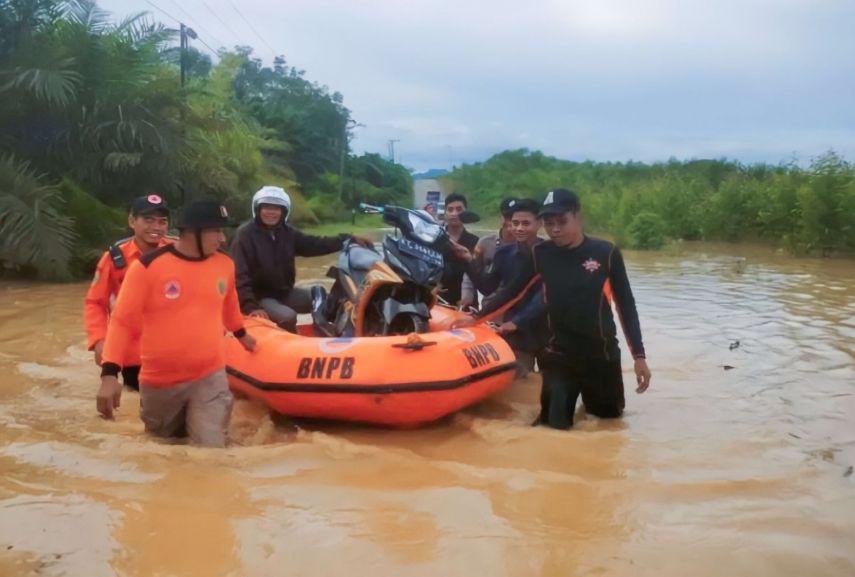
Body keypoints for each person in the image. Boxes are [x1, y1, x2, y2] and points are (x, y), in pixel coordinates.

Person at [457, 189, 652, 429]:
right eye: (549, 224)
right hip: (559, 355)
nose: (555, 229)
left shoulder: (605, 253)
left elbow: (626, 305)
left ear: (578, 217)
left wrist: (639, 356)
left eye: (562, 222)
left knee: (606, 424)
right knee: (553, 428)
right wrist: (475, 319)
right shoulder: (542, 253)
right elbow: (512, 292)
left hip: (601, 354)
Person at [96, 199, 257, 448]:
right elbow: (122, 322)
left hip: (209, 375)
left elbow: (229, 305)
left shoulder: (225, 264)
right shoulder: (147, 268)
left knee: (211, 450)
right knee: (163, 449)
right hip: (160, 382)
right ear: (194, 232)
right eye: (216, 231)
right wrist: (109, 374)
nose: (223, 239)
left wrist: (242, 334)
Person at [231, 186, 373, 332]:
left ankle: (325, 332)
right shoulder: (245, 235)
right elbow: (239, 276)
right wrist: (251, 306)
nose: (271, 212)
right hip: (259, 297)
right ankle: (289, 347)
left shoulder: (288, 233)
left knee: (327, 300)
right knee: (288, 316)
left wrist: (347, 239)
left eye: (276, 208)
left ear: (284, 211)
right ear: (258, 209)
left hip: (284, 292)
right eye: (266, 207)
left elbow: (316, 244)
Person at [83, 194, 173, 391]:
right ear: (132, 221)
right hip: (134, 353)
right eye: (148, 220)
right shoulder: (114, 259)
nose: (156, 227)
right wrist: (99, 340)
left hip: (173, 348)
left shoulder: (177, 252)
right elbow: (95, 303)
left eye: (162, 221)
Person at [460, 196, 519, 311]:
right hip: (489, 309)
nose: (510, 222)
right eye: (507, 217)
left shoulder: (529, 245)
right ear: (500, 217)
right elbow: (472, 270)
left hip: (517, 310)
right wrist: (467, 295)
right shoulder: (485, 243)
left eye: (514, 218)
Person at [440, 192, 479, 308]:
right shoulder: (434, 239)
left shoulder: (475, 242)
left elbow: (481, 275)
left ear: (466, 212)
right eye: (450, 209)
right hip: (438, 299)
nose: (454, 213)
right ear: (445, 213)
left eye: (459, 209)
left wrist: (470, 259)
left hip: (467, 301)